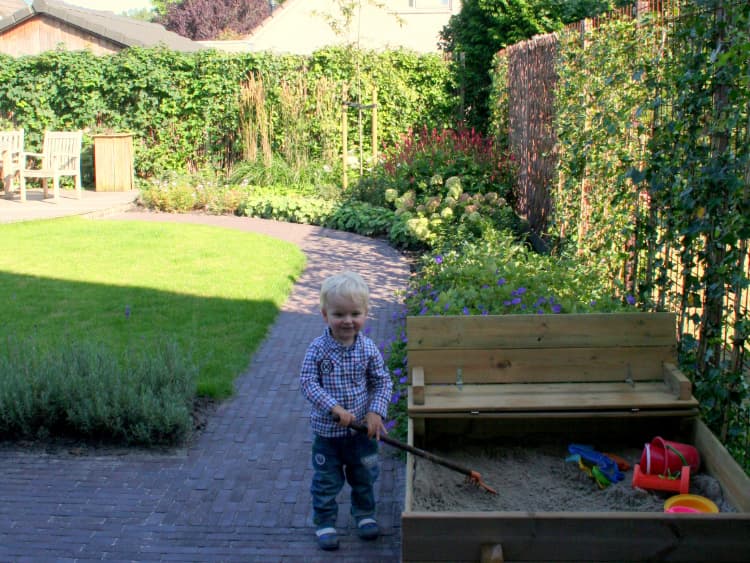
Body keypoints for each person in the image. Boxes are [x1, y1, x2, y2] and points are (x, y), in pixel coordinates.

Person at [299, 271, 393, 551]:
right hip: (327, 437)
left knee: (364, 477)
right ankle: (325, 521)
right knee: (326, 482)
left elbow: (382, 381)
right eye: (339, 314)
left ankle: (364, 515)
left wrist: (376, 412)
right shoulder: (317, 350)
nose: (348, 321)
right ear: (325, 315)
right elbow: (308, 382)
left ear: (366, 314)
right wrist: (334, 407)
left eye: (355, 313)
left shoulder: (368, 349)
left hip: (361, 433)